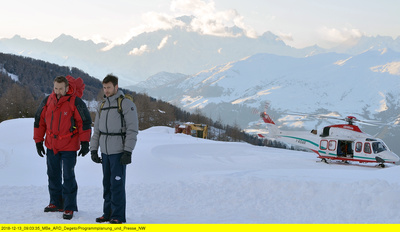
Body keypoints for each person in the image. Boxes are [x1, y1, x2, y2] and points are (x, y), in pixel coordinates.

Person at [34, 75, 92, 220]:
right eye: (56, 88)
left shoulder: (75, 102)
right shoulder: (48, 100)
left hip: (69, 146)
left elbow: (84, 122)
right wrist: (38, 141)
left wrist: (85, 143)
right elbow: (39, 120)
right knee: (53, 175)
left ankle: (69, 207)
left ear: (67, 88)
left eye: (61, 88)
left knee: (68, 176)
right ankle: (55, 203)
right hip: (51, 145)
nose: (58, 91)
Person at [90, 74, 139, 224]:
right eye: (104, 88)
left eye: (109, 87)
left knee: (117, 184)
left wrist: (128, 151)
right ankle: (108, 213)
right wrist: (93, 149)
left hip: (119, 151)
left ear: (116, 87)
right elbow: (97, 130)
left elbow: (132, 129)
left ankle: (117, 215)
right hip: (105, 152)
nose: (106, 90)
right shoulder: (102, 105)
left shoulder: (125, 104)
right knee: (107, 184)